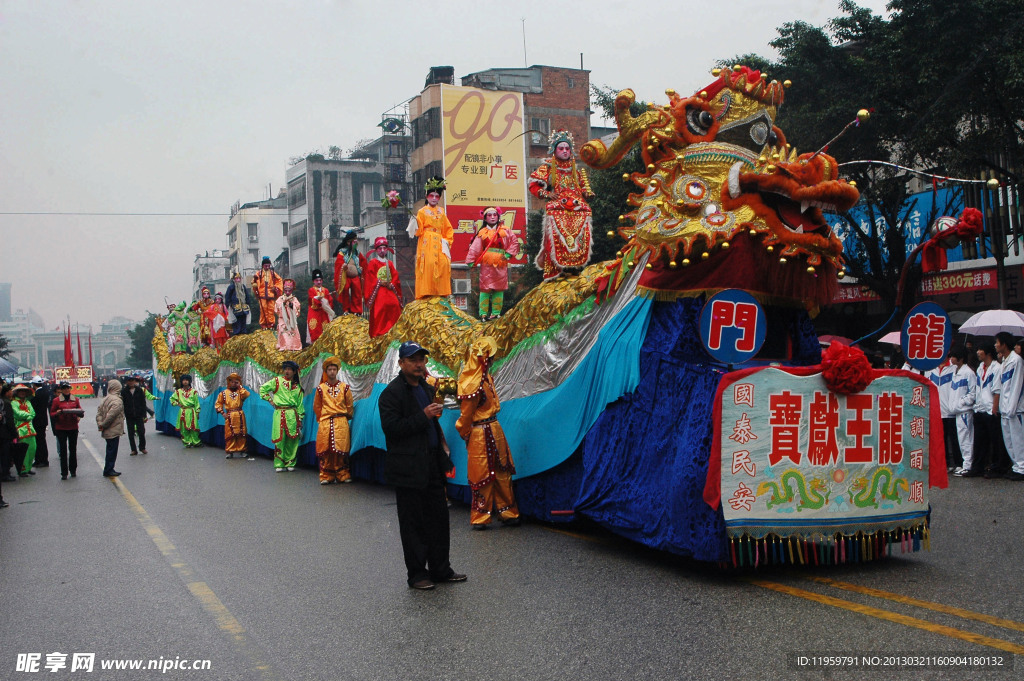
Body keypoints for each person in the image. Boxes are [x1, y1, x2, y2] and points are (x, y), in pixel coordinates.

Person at [378, 341, 466, 590]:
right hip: (407, 468)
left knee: (439, 519)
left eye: (422, 360)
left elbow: (433, 427)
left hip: (432, 464)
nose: (419, 364)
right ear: (401, 363)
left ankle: (441, 569)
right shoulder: (391, 394)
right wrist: (423, 416)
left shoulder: (427, 389)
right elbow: (392, 429)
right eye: (414, 360)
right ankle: (417, 575)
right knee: (413, 523)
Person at [456, 336, 520, 529]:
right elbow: (465, 416)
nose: (493, 360)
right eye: (490, 357)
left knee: (502, 469)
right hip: (479, 432)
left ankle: (507, 511)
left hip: (493, 428)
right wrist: (465, 432)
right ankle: (481, 516)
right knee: (482, 475)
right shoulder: (471, 385)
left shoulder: (486, 379)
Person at [528, 129, 595, 280]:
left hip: (577, 208)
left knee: (579, 237)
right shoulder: (548, 167)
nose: (565, 151)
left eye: (567, 148)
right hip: (558, 207)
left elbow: (582, 187)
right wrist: (547, 194)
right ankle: (556, 270)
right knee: (555, 238)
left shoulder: (575, 170)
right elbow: (533, 185)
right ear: (554, 150)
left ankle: (574, 267)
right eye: (561, 148)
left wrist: (586, 193)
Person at [465, 207, 520, 321]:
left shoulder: (505, 230)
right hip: (487, 263)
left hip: (501, 261)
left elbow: (514, 241)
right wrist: (471, 260)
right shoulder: (482, 232)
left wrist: (508, 254)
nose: (492, 217)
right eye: (489, 215)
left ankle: (496, 313)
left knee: (499, 288)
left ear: (498, 216)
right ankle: (483, 314)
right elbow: (476, 247)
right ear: (485, 218)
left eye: (494, 215)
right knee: (485, 288)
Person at [410, 176, 454, 299]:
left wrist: (446, 242)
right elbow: (418, 232)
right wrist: (415, 223)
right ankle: (427, 293)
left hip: (440, 242)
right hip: (427, 242)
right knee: (428, 265)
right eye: (431, 196)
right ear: (426, 196)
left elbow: (448, 229)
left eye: (437, 196)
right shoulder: (422, 212)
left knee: (443, 264)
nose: (434, 198)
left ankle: (441, 292)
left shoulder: (442, 211)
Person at [312, 356, 354, 484]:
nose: (332, 372)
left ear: (337, 371)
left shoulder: (345, 388)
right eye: (329, 369)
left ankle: (343, 474)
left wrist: (345, 417)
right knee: (326, 449)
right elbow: (317, 406)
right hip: (326, 421)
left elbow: (349, 406)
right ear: (326, 371)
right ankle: (326, 475)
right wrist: (323, 419)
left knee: (341, 449)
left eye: (334, 369)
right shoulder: (321, 389)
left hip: (341, 421)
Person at [260, 360, 304, 472]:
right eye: (286, 369)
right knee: (280, 438)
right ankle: (279, 463)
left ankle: (290, 462)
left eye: (290, 369)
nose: (287, 371)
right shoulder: (277, 381)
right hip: (279, 413)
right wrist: (270, 400)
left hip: (292, 414)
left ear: (294, 372)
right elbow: (263, 389)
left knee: (292, 439)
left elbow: (300, 405)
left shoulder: (298, 388)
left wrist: (300, 419)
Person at [975, 343, 1009, 478]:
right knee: (979, 440)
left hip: (991, 409)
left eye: (980, 349)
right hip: (980, 408)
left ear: (988, 353)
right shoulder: (980, 368)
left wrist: (995, 408)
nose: (978, 352)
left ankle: (996, 467)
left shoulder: (997, 368)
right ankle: (978, 466)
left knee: (995, 441)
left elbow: (997, 390)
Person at [995, 332, 1024, 480]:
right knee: (1009, 440)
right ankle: (1016, 466)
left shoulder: (1016, 361)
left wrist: (1012, 408)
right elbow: (1003, 386)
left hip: (1014, 409)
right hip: (1005, 409)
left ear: (1004, 344)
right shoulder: (1004, 362)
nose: (995, 345)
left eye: (997, 342)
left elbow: (1017, 386)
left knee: (1018, 439)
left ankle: (1022, 467)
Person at [364, 236, 404, 338]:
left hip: (389, 289)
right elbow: (370, 279)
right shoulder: (373, 263)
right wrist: (380, 282)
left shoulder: (389, 263)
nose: (382, 251)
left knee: (395, 305)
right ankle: (380, 333)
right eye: (380, 248)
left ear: (387, 249)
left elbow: (395, 277)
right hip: (379, 291)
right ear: (376, 250)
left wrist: (391, 284)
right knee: (381, 307)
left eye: (384, 248)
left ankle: (394, 330)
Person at [948, 346, 978, 476]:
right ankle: (965, 464)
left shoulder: (968, 373)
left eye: (954, 356)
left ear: (960, 359)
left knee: (967, 438)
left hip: (965, 412)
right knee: (961, 439)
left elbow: (973, 393)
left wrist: (961, 402)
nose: (951, 359)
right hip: (957, 412)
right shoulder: (955, 371)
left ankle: (968, 465)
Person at [50, 381, 83, 480]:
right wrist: (57, 413)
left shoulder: (75, 399)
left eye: (67, 388)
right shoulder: (56, 400)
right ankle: (64, 472)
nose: (66, 390)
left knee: (73, 450)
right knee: (63, 451)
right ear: (61, 389)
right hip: (61, 428)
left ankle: (73, 470)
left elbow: (80, 411)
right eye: (64, 388)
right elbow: (51, 413)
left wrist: (79, 414)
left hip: (73, 427)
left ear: (70, 388)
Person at [214, 372, 250, 459]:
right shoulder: (223, 393)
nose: (234, 383)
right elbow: (218, 404)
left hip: (240, 414)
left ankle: (242, 450)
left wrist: (240, 386)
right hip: (230, 415)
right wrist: (223, 413)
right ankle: (230, 451)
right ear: (229, 382)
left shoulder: (240, 392)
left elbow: (247, 394)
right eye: (232, 381)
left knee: (242, 433)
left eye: (236, 381)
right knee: (229, 433)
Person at [96, 379, 125, 477]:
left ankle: (108, 468)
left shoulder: (105, 399)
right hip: (113, 428)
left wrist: (100, 424)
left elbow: (99, 413)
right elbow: (111, 416)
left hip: (107, 429)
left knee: (109, 449)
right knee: (112, 451)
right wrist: (103, 424)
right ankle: (109, 469)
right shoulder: (117, 400)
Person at [333, 230, 365, 315]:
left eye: (356, 241)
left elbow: (364, 263)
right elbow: (338, 264)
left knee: (357, 292)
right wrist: (343, 266)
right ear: (348, 242)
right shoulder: (342, 253)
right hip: (346, 276)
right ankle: (346, 309)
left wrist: (361, 269)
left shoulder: (357, 253)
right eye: (354, 241)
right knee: (345, 290)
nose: (356, 243)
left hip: (355, 276)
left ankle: (357, 310)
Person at [122, 375, 153, 455]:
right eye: (130, 381)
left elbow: (143, 403)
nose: (131, 382)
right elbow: (123, 404)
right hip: (129, 415)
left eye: (133, 380)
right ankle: (133, 449)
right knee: (131, 433)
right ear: (127, 382)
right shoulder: (124, 391)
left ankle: (142, 447)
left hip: (139, 414)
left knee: (141, 431)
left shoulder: (139, 390)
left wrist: (144, 415)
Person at [11, 384, 36, 476]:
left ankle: (28, 468)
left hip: (30, 430)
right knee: (23, 452)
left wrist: (27, 416)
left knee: (32, 449)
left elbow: (33, 413)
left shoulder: (28, 402)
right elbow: (17, 414)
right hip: (21, 430)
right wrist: (27, 415)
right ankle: (22, 470)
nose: (22, 393)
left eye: (24, 391)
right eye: (20, 391)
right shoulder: (14, 402)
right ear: (17, 392)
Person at [170, 375, 201, 448]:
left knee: (194, 427)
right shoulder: (178, 392)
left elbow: (197, 403)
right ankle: (187, 442)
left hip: (192, 411)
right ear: (181, 381)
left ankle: (196, 442)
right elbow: (172, 399)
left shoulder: (194, 392)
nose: (185, 381)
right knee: (184, 428)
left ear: (189, 381)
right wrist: (178, 404)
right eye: (184, 380)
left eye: (187, 380)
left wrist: (197, 412)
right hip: (183, 411)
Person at [252, 256, 283, 329]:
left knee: (271, 309)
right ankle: (263, 324)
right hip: (262, 294)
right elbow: (253, 281)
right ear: (263, 265)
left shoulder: (272, 273)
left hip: (270, 294)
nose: (267, 267)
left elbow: (279, 280)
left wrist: (276, 287)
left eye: (268, 265)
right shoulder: (259, 273)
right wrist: (255, 284)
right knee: (263, 309)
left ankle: (271, 324)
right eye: (266, 266)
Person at [307, 269, 335, 344]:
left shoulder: (325, 290)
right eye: (317, 280)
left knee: (325, 330)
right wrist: (319, 301)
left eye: (320, 280)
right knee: (315, 330)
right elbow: (311, 299)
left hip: (324, 313)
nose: (319, 282)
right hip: (314, 313)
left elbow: (330, 300)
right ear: (314, 281)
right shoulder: (311, 290)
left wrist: (327, 305)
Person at [275, 279, 302, 351]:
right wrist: (283, 305)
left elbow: (297, 311)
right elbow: (277, 310)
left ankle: (295, 348)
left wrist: (291, 306)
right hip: (283, 321)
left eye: (289, 290)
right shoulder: (280, 299)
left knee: (294, 332)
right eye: (286, 290)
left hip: (292, 322)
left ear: (292, 290)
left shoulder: (294, 299)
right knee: (283, 333)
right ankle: (284, 347)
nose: (287, 292)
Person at [30, 376, 51, 468]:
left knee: (39, 441)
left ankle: (42, 460)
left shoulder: (36, 395)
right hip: (43, 419)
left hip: (37, 420)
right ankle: (40, 459)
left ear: (34, 385)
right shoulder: (45, 392)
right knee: (41, 440)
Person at [224, 269, 253, 336]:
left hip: (243, 307)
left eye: (239, 278)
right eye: (236, 278)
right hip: (235, 307)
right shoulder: (231, 287)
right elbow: (227, 296)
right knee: (236, 320)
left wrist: (248, 304)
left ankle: (243, 332)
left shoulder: (243, 287)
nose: (238, 280)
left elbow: (247, 296)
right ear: (234, 279)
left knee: (243, 319)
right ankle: (237, 333)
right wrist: (227, 305)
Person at [1, 383, 18, 484]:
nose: (12, 392)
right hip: (5, 433)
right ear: (7, 392)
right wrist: (14, 433)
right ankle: (5, 474)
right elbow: (9, 420)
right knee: (6, 454)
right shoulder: (6, 403)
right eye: (10, 391)